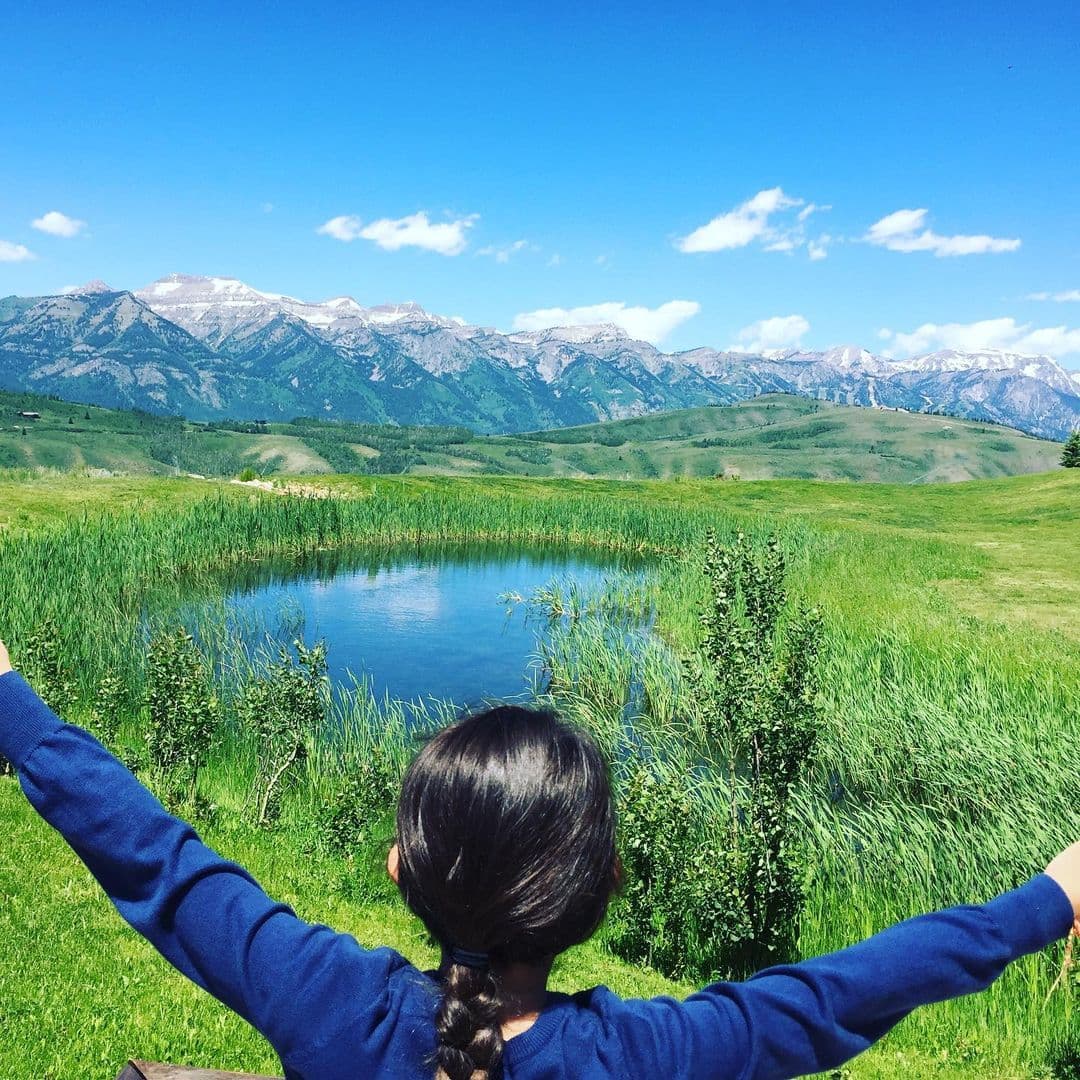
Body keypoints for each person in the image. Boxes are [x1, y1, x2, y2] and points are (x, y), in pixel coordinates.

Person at [0, 638, 1076, 1080]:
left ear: (398, 870)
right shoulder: (655, 1055)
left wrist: (15, 707)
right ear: (601, 891)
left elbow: (157, 856)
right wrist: (1053, 897)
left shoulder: (323, 1002)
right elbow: (852, 990)